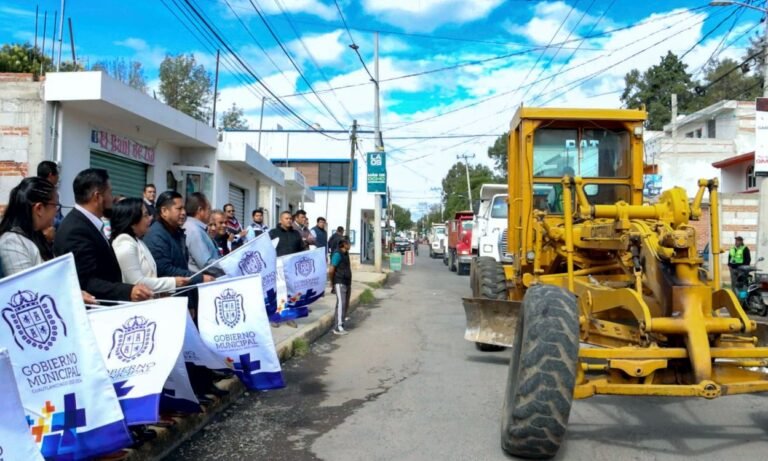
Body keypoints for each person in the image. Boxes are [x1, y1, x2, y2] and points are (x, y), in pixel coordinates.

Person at [53, 168, 152, 302]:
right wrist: (128, 291)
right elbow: (85, 282)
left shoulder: (88, 223)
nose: (112, 198)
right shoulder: (76, 230)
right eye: (110, 193)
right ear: (97, 197)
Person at [111, 198, 189, 293]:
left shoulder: (138, 241)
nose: (150, 218)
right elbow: (137, 282)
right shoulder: (124, 243)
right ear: (133, 221)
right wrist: (173, 282)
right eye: (145, 215)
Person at [144, 191, 210, 289]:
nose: (183, 212)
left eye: (184, 208)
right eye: (179, 209)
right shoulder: (157, 235)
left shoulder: (176, 231)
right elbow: (164, 270)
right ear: (164, 211)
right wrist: (199, 278)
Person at [183, 192, 220, 273]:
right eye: (209, 209)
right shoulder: (194, 230)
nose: (210, 213)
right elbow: (206, 264)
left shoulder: (195, 228)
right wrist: (227, 265)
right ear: (200, 210)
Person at [328, 238, 352, 335]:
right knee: (341, 303)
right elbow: (331, 270)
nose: (350, 245)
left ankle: (341, 323)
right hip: (339, 281)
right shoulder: (337, 254)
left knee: (344, 304)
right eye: (349, 243)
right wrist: (332, 282)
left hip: (347, 282)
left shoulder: (346, 253)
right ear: (344, 244)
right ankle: (337, 327)